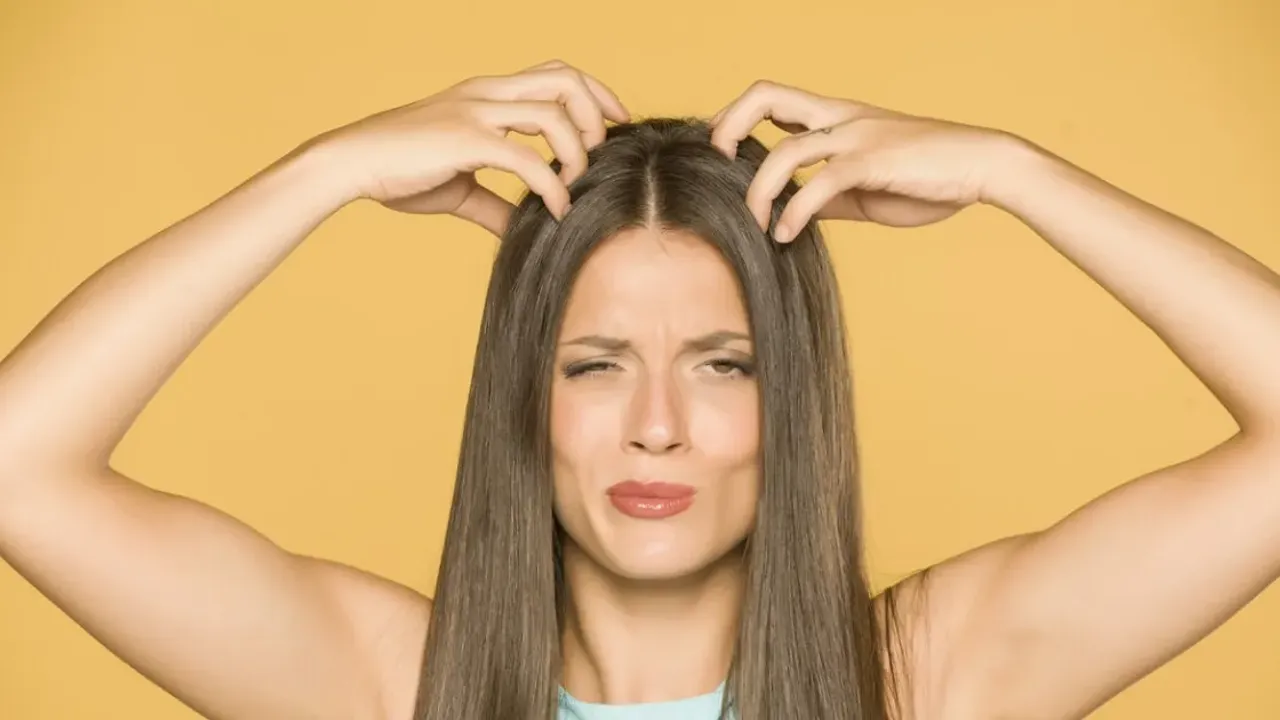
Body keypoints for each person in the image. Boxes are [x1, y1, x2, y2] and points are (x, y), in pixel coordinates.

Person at [0, 57, 1277, 720]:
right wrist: (320, 172)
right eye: (595, 365)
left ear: (794, 399)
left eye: (722, 365)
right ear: (524, 395)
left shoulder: (924, 679)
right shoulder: (396, 689)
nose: (655, 427)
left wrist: (1013, 171)